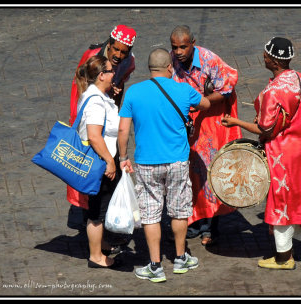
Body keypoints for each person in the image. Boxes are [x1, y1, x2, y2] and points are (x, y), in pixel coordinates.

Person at [221, 37, 301, 270]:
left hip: (281, 153)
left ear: (273, 61)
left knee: (280, 200)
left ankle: (284, 258)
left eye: (265, 55)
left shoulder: (274, 91)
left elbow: (264, 129)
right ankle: (291, 246)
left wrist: (235, 121)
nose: (263, 57)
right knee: (296, 194)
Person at [117, 48, 210, 282]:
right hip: (177, 161)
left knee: (150, 214)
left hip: (147, 163)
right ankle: (180, 258)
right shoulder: (183, 90)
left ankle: (155, 265)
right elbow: (206, 104)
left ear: (150, 69)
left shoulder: (134, 92)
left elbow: (123, 130)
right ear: (170, 67)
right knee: (179, 210)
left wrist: (122, 157)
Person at [66, 25, 137, 253]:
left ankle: (101, 232)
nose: (118, 56)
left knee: (106, 183)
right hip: (94, 120)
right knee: (95, 183)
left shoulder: (128, 62)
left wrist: (115, 91)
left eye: (123, 52)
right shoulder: (92, 58)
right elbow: (81, 90)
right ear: (109, 44)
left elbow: (120, 85)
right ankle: (96, 239)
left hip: (108, 119)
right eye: (115, 50)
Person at [170, 25, 242, 246]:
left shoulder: (210, 60)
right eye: (175, 47)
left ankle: (209, 225)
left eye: (183, 47)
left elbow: (227, 87)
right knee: (192, 170)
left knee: (210, 170)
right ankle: (195, 219)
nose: (179, 52)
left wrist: (203, 102)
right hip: (191, 118)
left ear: (193, 43)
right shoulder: (173, 61)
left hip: (213, 120)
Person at [74, 55, 123, 269]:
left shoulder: (95, 95)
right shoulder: (95, 101)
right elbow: (94, 135)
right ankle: (95, 256)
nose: (114, 74)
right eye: (111, 71)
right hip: (100, 162)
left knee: (100, 207)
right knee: (98, 211)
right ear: (101, 75)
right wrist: (109, 162)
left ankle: (101, 243)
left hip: (102, 159)